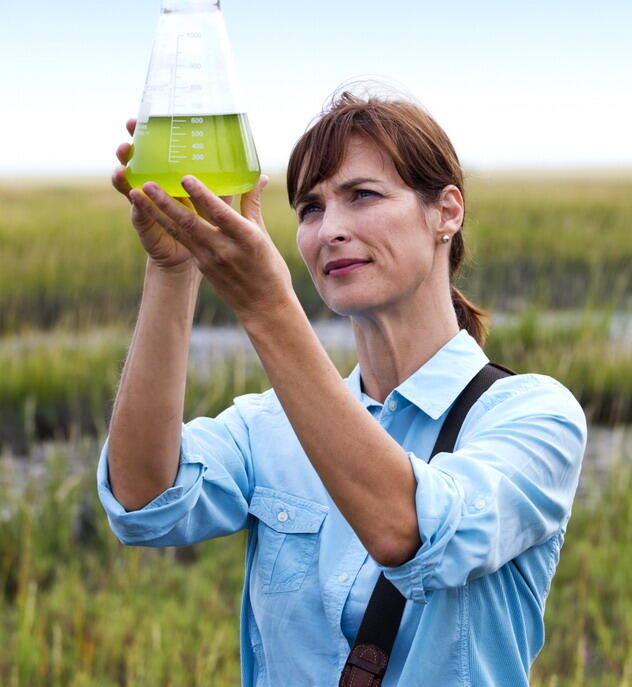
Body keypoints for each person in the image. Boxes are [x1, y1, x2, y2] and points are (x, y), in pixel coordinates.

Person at [96, 88, 588, 686]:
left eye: (362, 196)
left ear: (447, 212)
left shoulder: (531, 416)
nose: (330, 230)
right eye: (309, 208)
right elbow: (145, 503)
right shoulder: (268, 426)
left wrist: (267, 308)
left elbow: (405, 531)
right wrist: (173, 268)